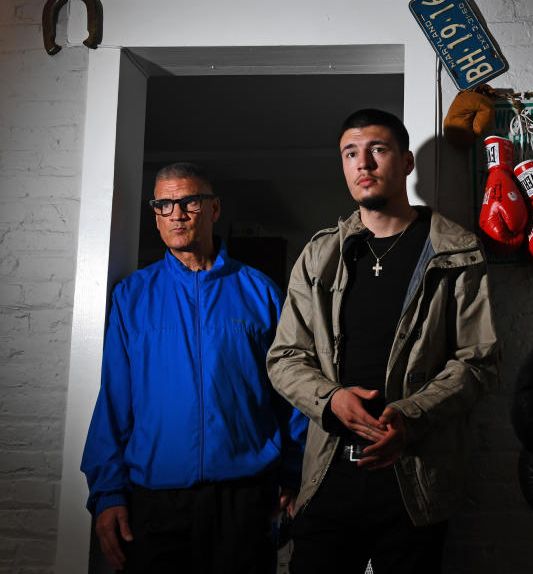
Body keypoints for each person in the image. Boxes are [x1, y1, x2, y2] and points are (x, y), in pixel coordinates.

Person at [266, 109, 499, 574]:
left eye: (377, 150)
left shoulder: (456, 252)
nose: (363, 164)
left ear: (407, 162)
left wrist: (408, 418)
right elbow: (285, 358)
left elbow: (478, 362)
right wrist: (331, 400)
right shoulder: (320, 254)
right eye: (350, 153)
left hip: (415, 478)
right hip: (328, 474)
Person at [81, 162, 304, 573]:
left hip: (246, 498)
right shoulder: (132, 296)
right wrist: (108, 493)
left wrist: (294, 475)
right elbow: (114, 400)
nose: (176, 214)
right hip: (154, 500)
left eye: (188, 202)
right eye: (164, 204)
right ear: (155, 215)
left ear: (214, 209)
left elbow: (289, 393)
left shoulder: (262, 292)